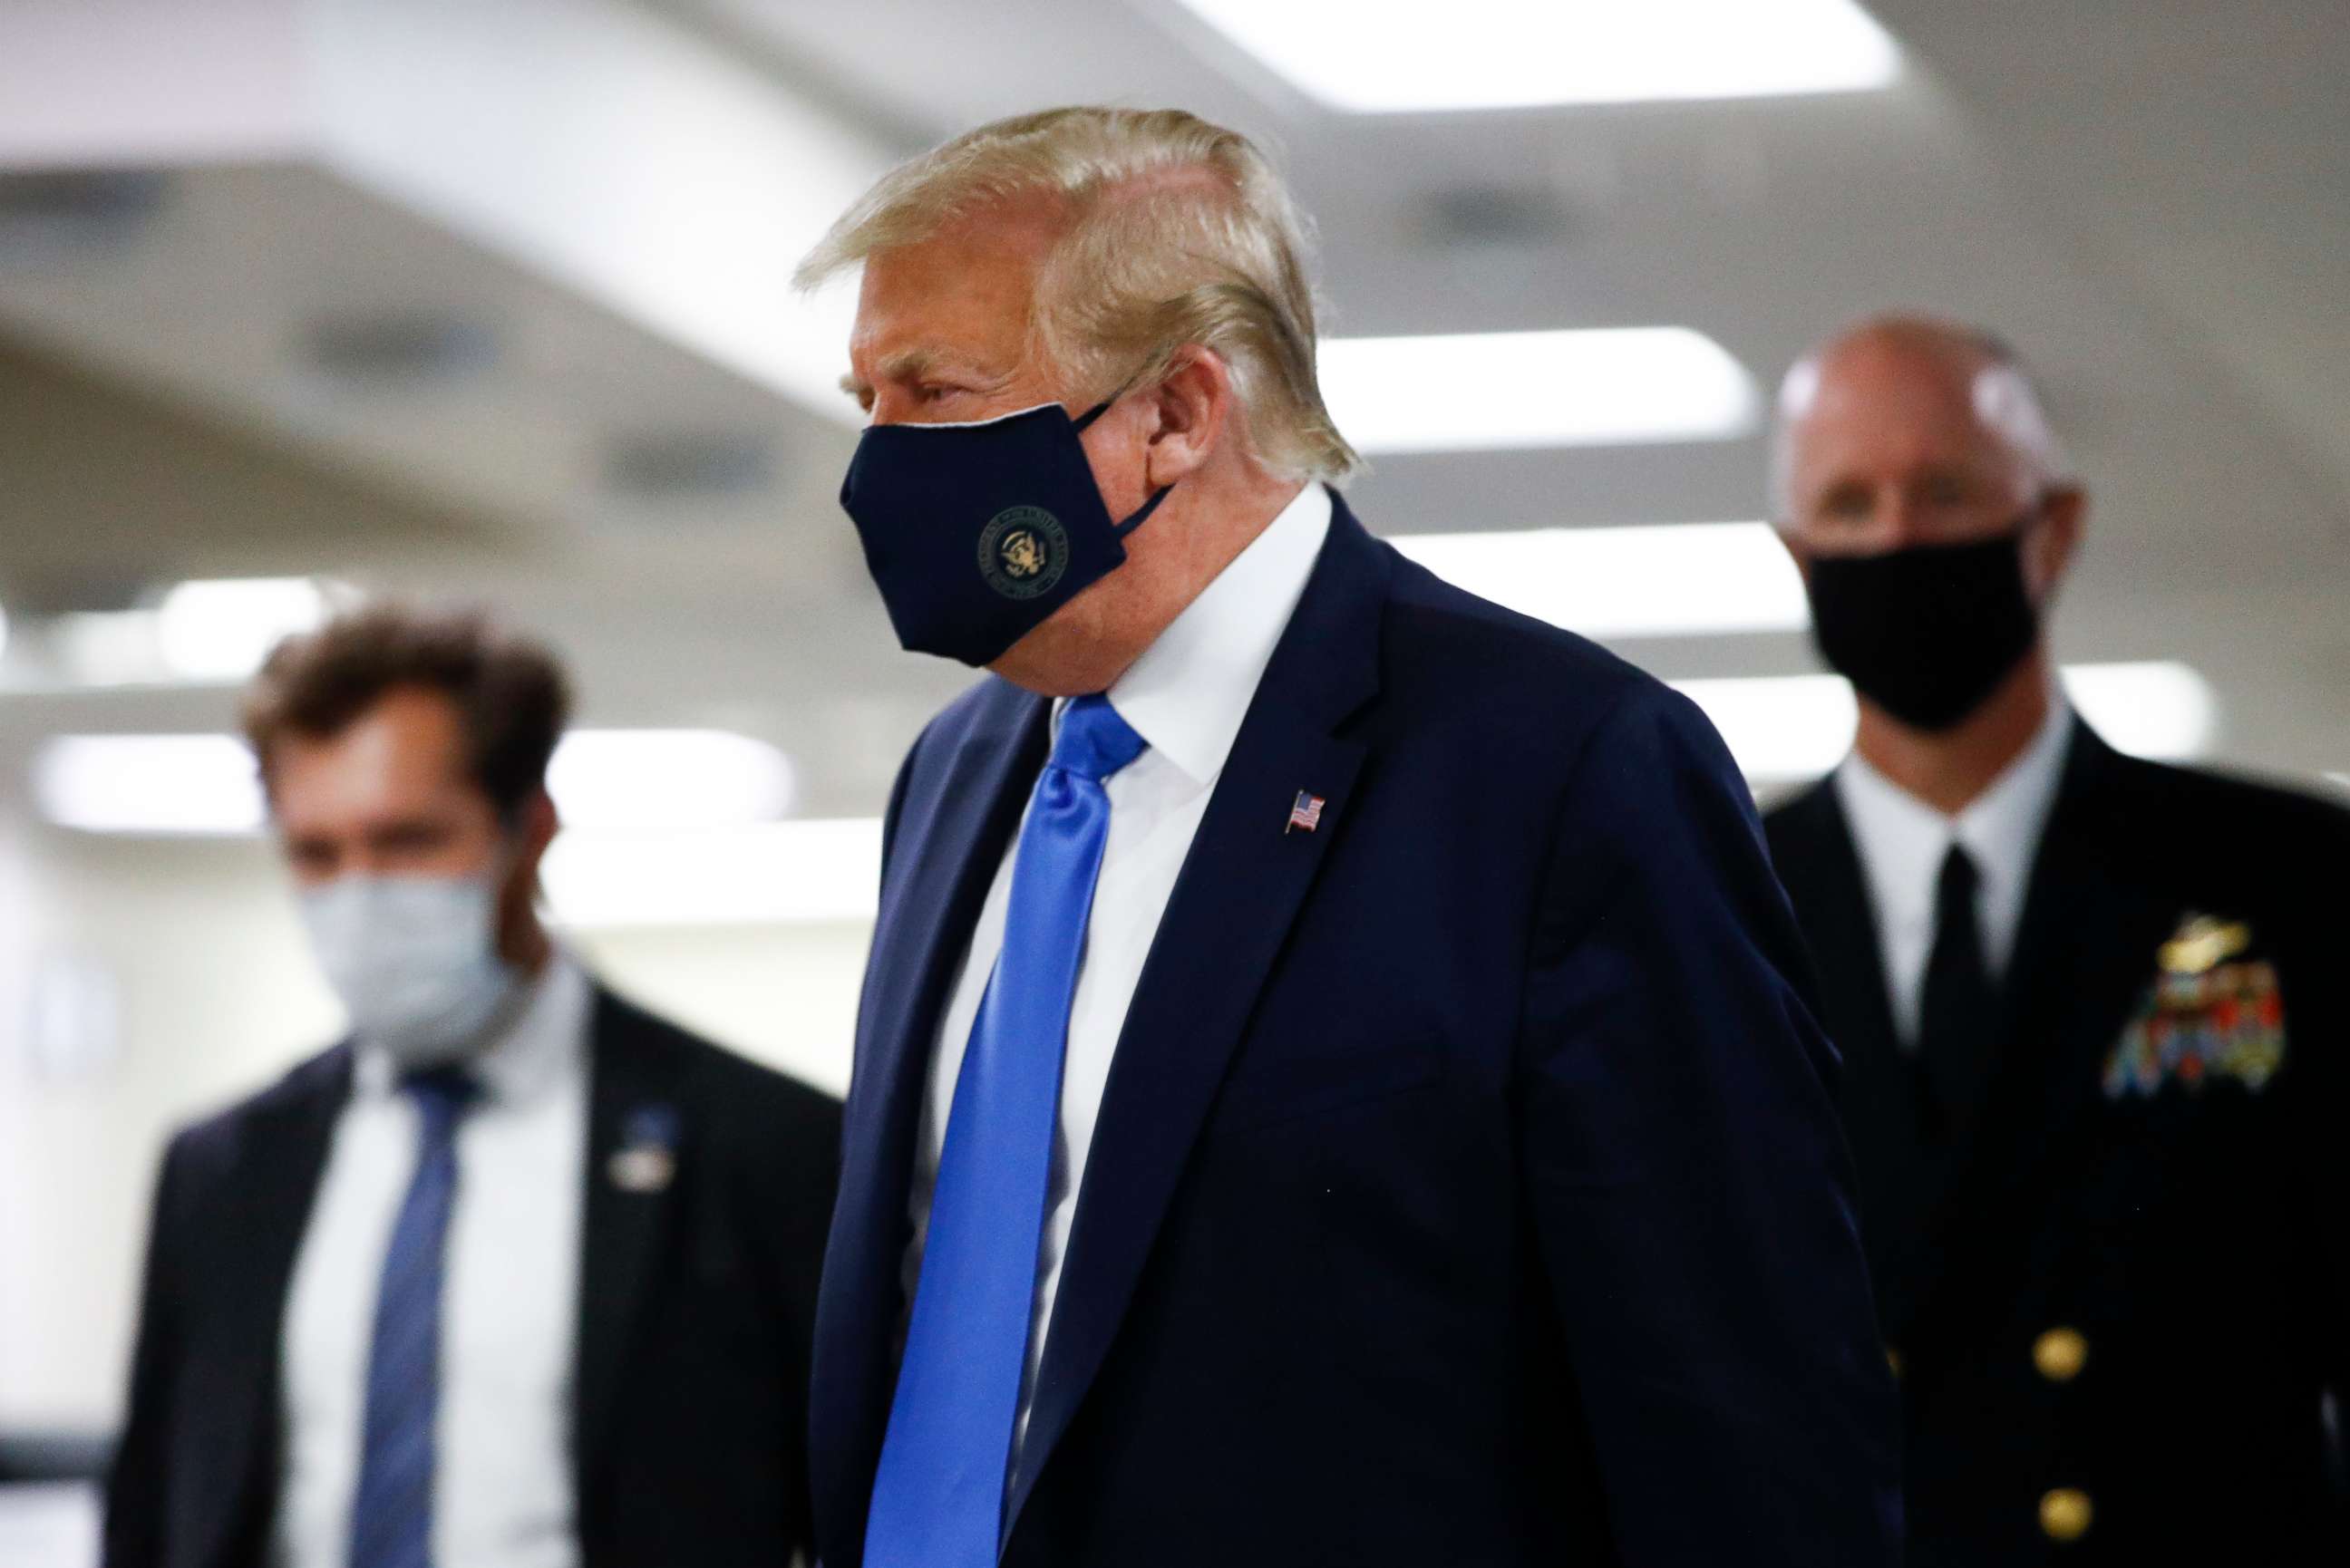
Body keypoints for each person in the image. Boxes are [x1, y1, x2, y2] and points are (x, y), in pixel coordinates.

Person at [795, 105, 1898, 1568]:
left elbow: (1751, 1457)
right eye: (864, 396)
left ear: (1177, 415)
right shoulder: (957, 777)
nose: (878, 465)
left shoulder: (1561, 778)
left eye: (933, 394)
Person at [1762, 315, 2350, 1563]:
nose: (1899, 537)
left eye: (1947, 491)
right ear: (1796, 553)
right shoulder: (1705, 903)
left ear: (2056, 527)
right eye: (1851, 502)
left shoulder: (2293, 881)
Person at [103, 607, 841, 1568]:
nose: (358, 896)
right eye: (315, 853)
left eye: (408, 840)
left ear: (526, 828)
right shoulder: (223, 1168)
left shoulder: (762, 1144)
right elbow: (153, 1507)